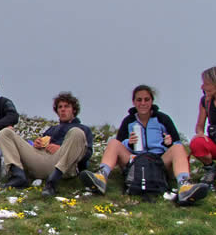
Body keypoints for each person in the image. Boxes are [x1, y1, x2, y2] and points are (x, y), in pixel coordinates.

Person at [80, 85, 208, 205]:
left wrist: (168, 144)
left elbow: (177, 143)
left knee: (178, 148)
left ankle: (184, 185)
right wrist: (129, 143)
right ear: (134, 102)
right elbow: (119, 144)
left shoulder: (163, 119)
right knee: (113, 142)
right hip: (135, 161)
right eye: (139, 100)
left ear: (152, 101)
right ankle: (101, 177)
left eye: (146, 100)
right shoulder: (128, 121)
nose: (143, 103)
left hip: (159, 161)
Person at [0, 92, 93, 196]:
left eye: (67, 106)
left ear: (74, 110)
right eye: (60, 107)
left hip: (64, 165)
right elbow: (42, 144)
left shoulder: (83, 129)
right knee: (5, 133)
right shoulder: (52, 129)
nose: (63, 109)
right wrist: (37, 144)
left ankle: (52, 182)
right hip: (42, 160)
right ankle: (18, 176)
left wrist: (62, 148)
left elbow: (86, 153)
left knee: (76, 132)